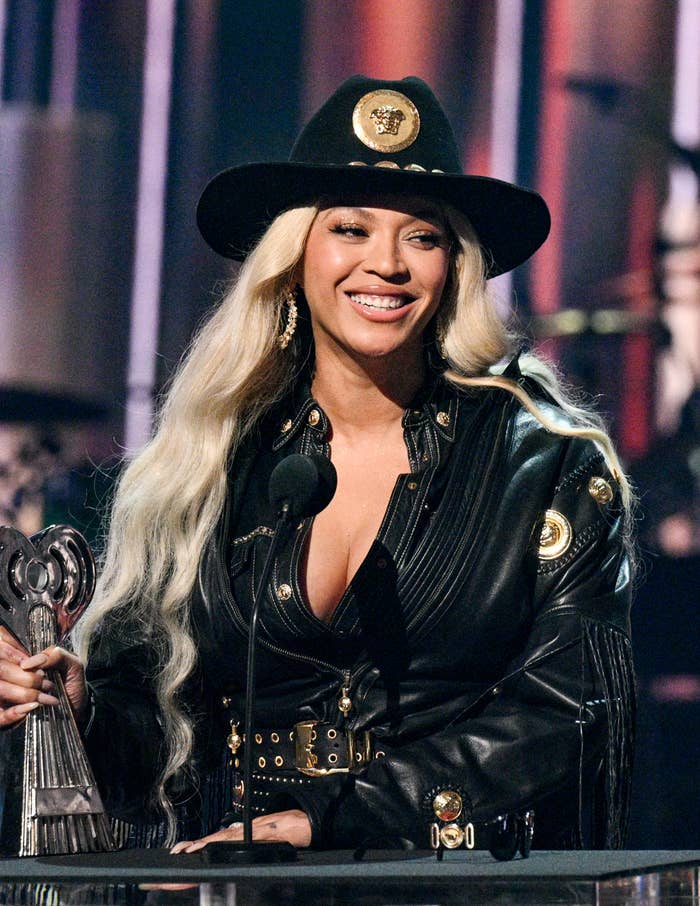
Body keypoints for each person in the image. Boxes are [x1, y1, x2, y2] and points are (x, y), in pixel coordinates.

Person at [0, 76, 635, 855]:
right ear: (296, 253)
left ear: (455, 267)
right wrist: (80, 707)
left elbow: (570, 710)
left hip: (461, 884)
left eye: (423, 235)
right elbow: (155, 734)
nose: (388, 264)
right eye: (351, 228)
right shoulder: (205, 457)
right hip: (232, 881)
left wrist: (330, 818)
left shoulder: (546, 464)